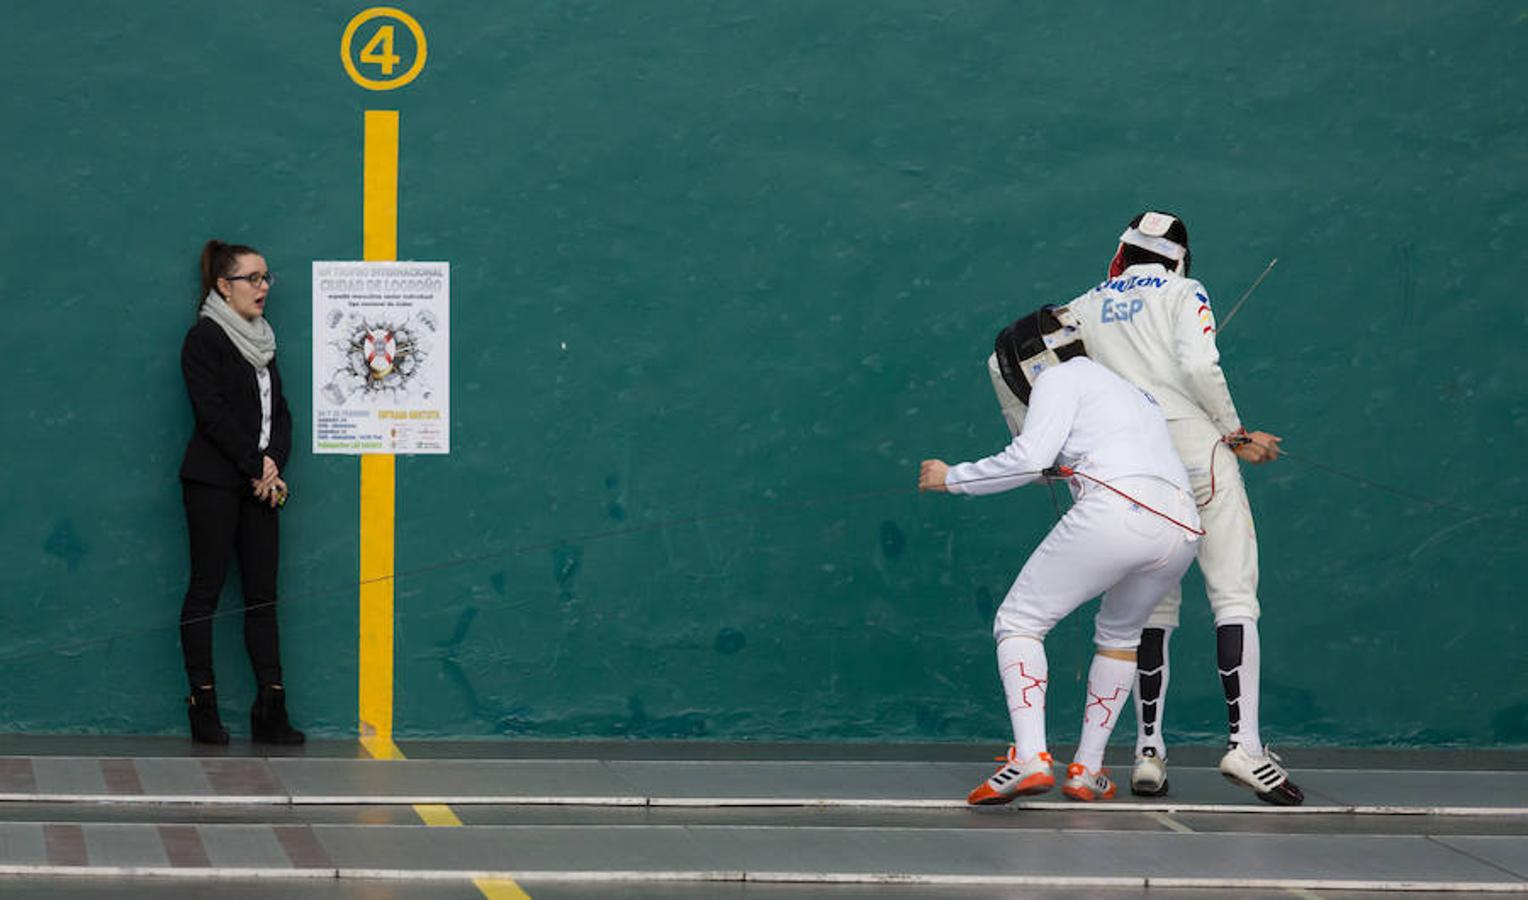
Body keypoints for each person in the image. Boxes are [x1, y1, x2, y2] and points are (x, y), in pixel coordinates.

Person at [1061, 211, 1302, 805]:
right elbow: (1198, 365)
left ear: (1122, 252)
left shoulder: (1081, 306)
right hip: (1198, 452)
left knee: (1151, 604)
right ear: (1179, 257)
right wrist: (1237, 432)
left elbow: (1042, 373)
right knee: (1234, 594)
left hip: (1128, 466)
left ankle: (1148, 751)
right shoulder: (1184, 289)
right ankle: (1244, 746)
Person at [922, 308, 1201, 804]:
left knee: (1019, 622)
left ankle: (1030, 758)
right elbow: (1064, 459)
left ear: (1028, 362)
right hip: (1181, 528)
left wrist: (952, 478)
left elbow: (1030, 457)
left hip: (1119, 511)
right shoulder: (1133, 393)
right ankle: (1087, 771)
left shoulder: (1058, 378)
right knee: (1120, 636)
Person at [178, 240, 304, 745]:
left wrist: (273, 464)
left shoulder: (262, 341)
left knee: (262, 598)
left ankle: (270, 708)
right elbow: (212, 415)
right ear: (222, 286)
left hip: (259, 486)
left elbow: (281, 413)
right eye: (252, 278)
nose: (263, 286)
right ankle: (202, 704)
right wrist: (256, 466)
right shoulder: (204, 340)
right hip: (213, 482)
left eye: (266, 277)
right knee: (205, 591)